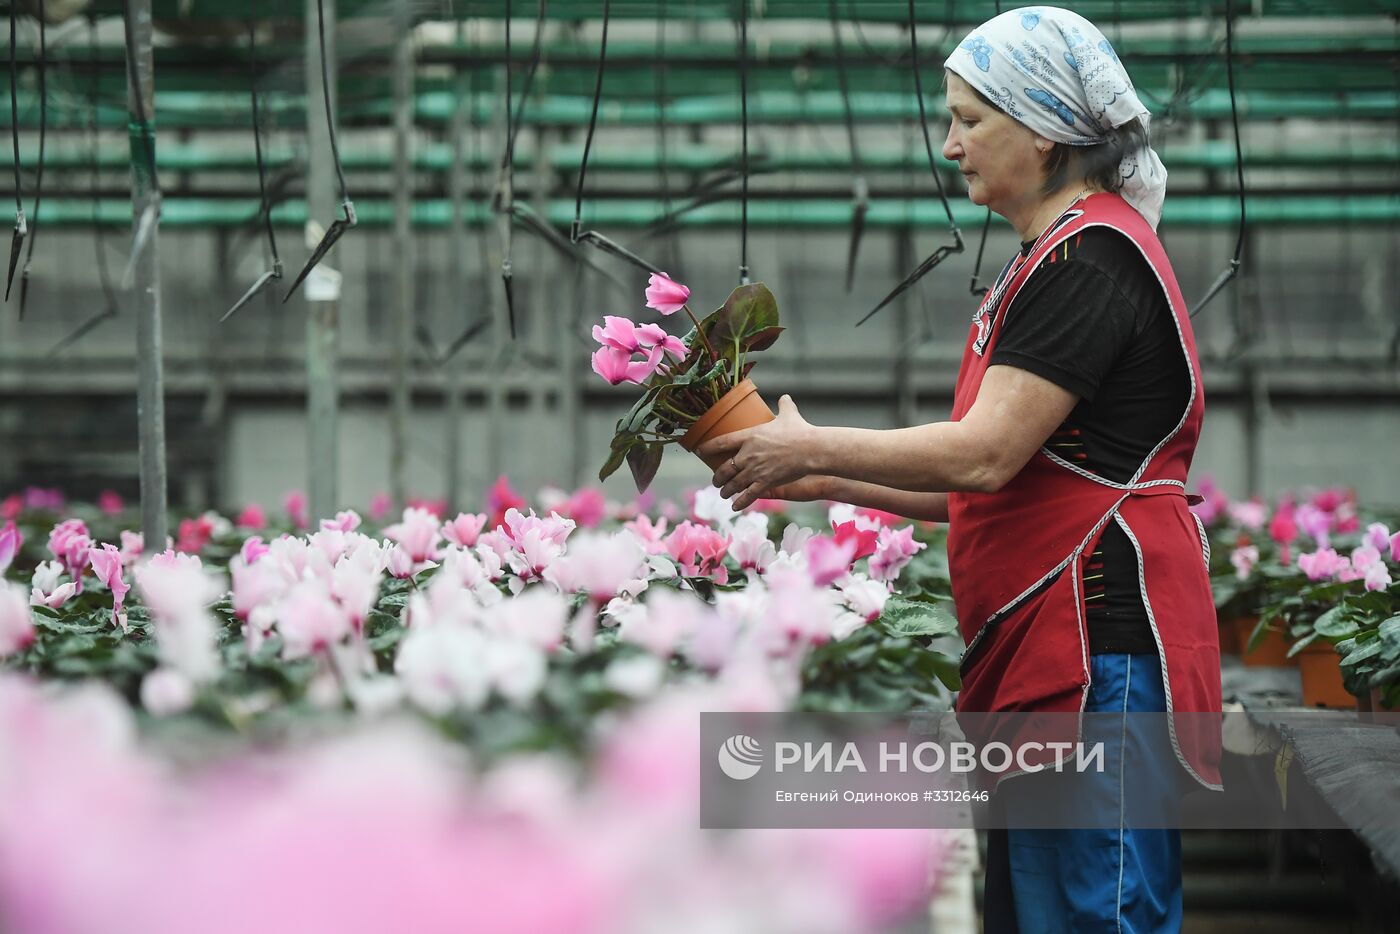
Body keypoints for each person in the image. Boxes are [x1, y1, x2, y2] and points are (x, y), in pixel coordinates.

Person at [700, 7, 1221, 932]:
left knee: (1095, 904)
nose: (950, 146)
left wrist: (814, 444)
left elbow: (984, 454)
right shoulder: (1050, 260)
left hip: (1097, 651)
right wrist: (818, 480)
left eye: (971, 121)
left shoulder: (1091, 263)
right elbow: (996, 483)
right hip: (1053, 646)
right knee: (1042, 905)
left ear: (1048, 130)